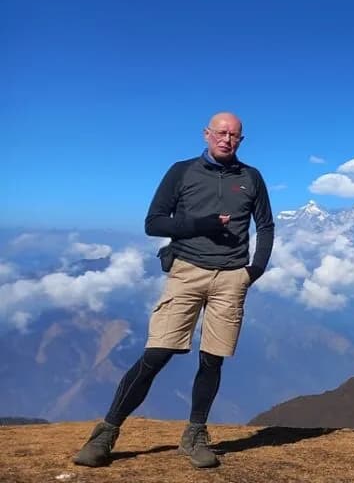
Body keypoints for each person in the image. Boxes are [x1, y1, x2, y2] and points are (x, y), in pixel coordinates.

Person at [73, 112, 275, 469]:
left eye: (234, 135)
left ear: (241, 140)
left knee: (213, 359)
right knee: (157, 353)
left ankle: (194, 434)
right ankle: (106, 433)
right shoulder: (181, 172)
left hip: (232, 277)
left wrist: (253, 271)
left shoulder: (251, 177)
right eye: (221, 133)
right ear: (206, 134)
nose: (227, 139)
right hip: (187, 272)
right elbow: (153, 223)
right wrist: (200, 225)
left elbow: (266, 225)